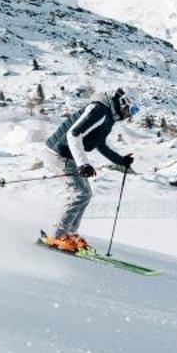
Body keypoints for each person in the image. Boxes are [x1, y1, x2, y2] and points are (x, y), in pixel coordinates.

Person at [41, 87, 136, 252]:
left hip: (68, 155)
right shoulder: (98, 109)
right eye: (133, 109)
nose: (131, 115)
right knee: (80, 193)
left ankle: (69, 233)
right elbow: (74, 133)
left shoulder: (108, 117)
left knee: (86, 193)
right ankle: (56, 235)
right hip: (59, 152)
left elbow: (100, 144)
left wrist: (121, 161)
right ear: (123, 102)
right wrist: (83, 164)